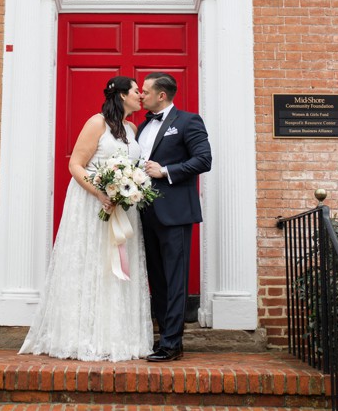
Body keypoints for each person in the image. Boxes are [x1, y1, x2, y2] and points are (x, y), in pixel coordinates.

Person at [19, 75, 153, 362]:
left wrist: (130, 188)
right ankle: (81, 336)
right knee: (92, 264)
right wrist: (101, 193)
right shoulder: (96, 124)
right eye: (135, 91)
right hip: (93, 206)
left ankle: (117, 336)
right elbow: (75, 165)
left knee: (117, 268)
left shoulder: (132, 128)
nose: (140, 95)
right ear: (120, 96)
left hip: (123, 207)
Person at [137, 72, 212, 362]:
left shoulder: (188, 121)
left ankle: (172, 343)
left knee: (175, 278)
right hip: (143, 212)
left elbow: (203, 159)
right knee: (157, 279)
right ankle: (162, 337)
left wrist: (166, 171)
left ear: (162, 95)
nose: (140, 95)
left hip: (175, 213)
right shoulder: (142, 126)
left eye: (145, 91)